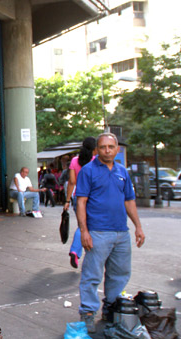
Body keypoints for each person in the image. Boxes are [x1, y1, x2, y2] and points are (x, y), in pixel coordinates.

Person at [75, 133, 145, 334]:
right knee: (92, 275)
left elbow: (129, 201)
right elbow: (81, 202)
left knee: (119, 274)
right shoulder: (88, 171)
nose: (107, 150)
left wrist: (138, 226)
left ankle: (112, 309)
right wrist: (84, 231)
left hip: (121, 232)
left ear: (117, 149)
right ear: (97, 150)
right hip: (98, 232)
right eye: (103, 147)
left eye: (111, 147)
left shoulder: (122, 171)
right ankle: (88, 313)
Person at [64, 137, 96, 269]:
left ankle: (76, 252)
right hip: (93, 197)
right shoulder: (95, 161)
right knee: (88, 225)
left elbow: (71, 182)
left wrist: (67, 200)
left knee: (81, 223)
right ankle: (77, 251)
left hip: (78, 196)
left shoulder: (74, 161)